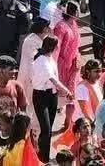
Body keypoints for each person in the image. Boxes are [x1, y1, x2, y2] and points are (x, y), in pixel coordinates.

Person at [31, 34, 72, 162]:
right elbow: (53, 79)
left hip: (51, 95)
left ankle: (44, 156)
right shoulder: (41, 60)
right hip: (41, 96)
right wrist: (66, 91)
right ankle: (42, 158)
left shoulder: (50, 59)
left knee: (48, 129)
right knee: (46, 128)